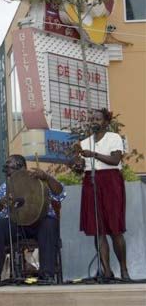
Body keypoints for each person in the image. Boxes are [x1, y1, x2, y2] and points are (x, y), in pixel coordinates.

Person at [0, 155, 65, 283]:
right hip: (18, 223)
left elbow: (60, 194)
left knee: (50, 223)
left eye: (8, 168)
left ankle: (47, 274)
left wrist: (47, 178)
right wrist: (1, 203)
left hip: (40, 222)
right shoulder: (7, 185)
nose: (6, 172)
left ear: (20, 166)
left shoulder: (39, 178)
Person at [71, 108, 130, 280]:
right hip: (91, 182)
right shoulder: (84, 142)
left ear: (106, 121)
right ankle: (106, 271)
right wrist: (77, 164)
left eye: (97, 118)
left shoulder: (114, 138)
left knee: (115, 228)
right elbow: (80, 168)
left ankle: (124, 270)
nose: (93, 121)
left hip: (110, 182)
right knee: (99, 230)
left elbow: (115, 160)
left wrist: (94, 154)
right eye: (92, 119)